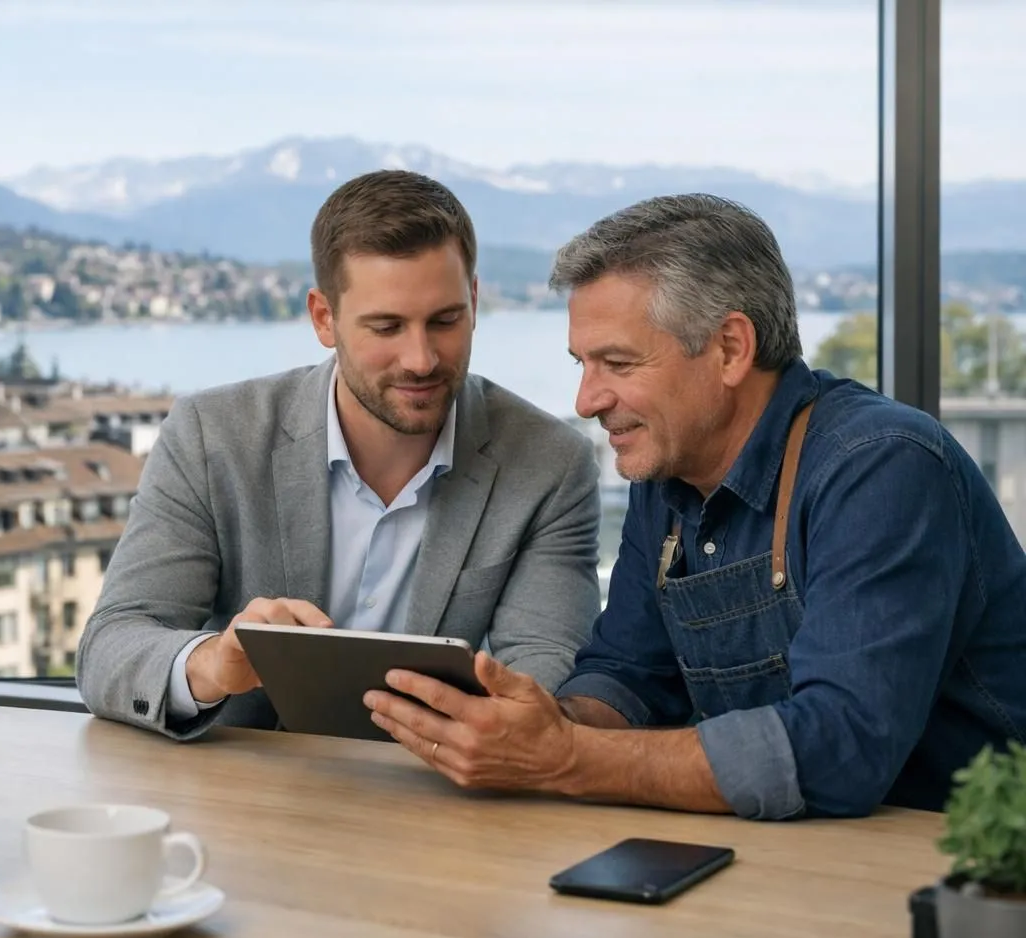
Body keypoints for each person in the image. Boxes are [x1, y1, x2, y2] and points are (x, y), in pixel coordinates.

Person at [365, 193, 1026, 819]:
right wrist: (539, 726)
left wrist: (568, 759)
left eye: (617, 364)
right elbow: (627, 674)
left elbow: (841, 747)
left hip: (968, 876)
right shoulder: (669, 473)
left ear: (730, 348)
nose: (587, 400)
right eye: (582, 364)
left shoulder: (884, 466)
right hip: (798, 860)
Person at [77, 169, 602, 739]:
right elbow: (110, 646)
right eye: (387, 327)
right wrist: (209, 663)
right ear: (324, 318)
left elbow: (545, 677)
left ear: (474, 301)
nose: (421, 358)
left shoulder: (551, 463)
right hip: (239, 797)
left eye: (445, 321)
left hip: (438, 797)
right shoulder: (212, 437)